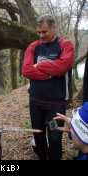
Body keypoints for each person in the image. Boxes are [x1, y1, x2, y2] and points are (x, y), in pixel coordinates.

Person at [22, 15, 74, 160]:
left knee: (54, 137)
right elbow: (26, 70)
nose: (41, 35)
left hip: (55, 105)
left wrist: (39, 65)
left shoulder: (65, 45)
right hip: (36, 102)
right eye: (38, 32)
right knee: (38, 135)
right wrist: (49, 73)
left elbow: (62, 67)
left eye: (44, 32)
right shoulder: (33, 46)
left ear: (53, 28)